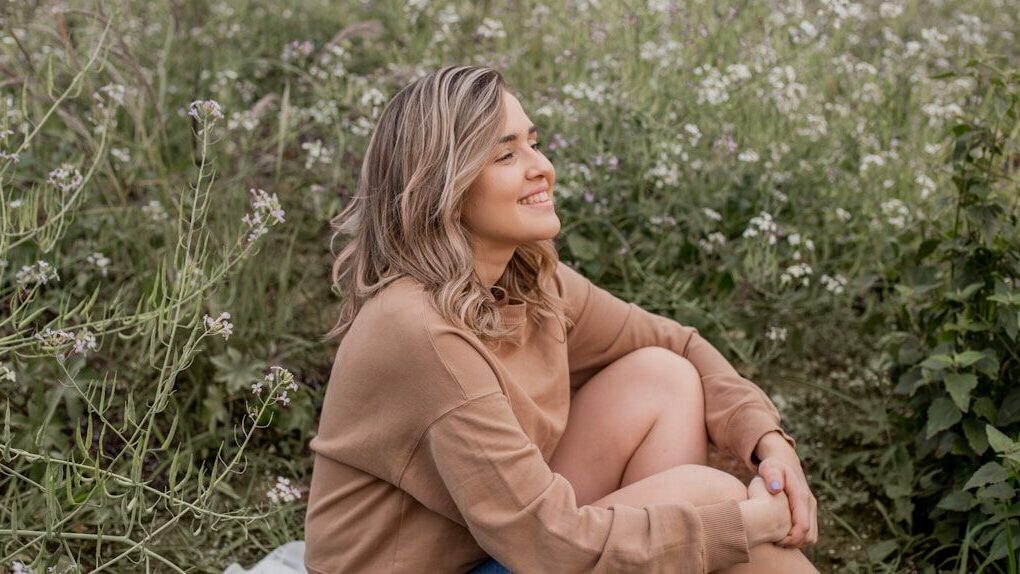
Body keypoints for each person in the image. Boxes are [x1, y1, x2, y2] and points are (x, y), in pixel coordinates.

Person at [304, 65, 818, 573]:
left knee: (662, 376)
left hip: (500, 547)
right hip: (478, 559)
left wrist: (770, 445)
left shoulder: (524, 276)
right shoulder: (418, 329)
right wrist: (749, 523)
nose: (541, 167)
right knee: (709, 498)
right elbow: (551, 544)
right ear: (443, 187)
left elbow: (681, 344)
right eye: (506, 154)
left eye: (533, 142)